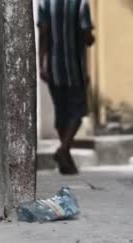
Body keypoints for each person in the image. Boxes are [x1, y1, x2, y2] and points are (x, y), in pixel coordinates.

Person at [37, 0, 95, 175]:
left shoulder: (45, 4)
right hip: (75, 68)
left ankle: (65, 160)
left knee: (61, 112)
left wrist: (41, 64)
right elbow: (87, 37)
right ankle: (63, 150)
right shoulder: (80, 4)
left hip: (54, 67)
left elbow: (43, 34)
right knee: (77, 112)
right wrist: (91, 37)